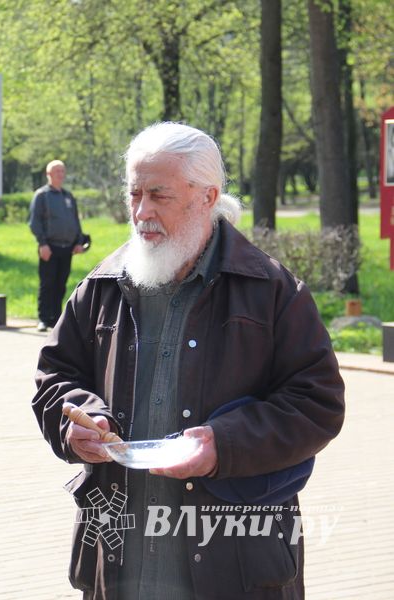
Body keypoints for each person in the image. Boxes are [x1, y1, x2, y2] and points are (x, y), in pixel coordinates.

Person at [31, 122, 345, 599]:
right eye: (134, 194)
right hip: (122, 557)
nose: (142, 212)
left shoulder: (271, 290)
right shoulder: (101, 285)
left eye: (160, 195)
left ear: (207, 196)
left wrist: (224, 444)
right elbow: (57, 375)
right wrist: (78, 420)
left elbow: (316, 403)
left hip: (234, 558)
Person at [28, 159, 85, 332]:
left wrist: (79, 241)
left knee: (61, 284)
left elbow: (75, 221)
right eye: (57, 171)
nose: (61, 174)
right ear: (48, 174)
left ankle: (56, 319)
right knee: (47, 283)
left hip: (67, 248)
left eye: (62, 170)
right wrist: (42, 243)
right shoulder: (42, 195)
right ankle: (43, 319)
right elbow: (34, 222)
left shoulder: (68, 196)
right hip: (49, 248)